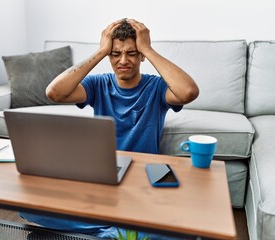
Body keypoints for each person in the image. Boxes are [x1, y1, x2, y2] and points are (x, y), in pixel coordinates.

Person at [21, 18, 199, 239]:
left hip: (145, 175)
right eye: (115, 54)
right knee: (28, 207)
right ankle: (116, 231)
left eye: (132, 53)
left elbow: (188, 91)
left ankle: (106, 230)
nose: (123, 60)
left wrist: (147, 48)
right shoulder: (99, 84)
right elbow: (54, 92)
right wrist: (101, 51)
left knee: (188, 226)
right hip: (104, 174)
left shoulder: (156, 87)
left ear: (142, 55)